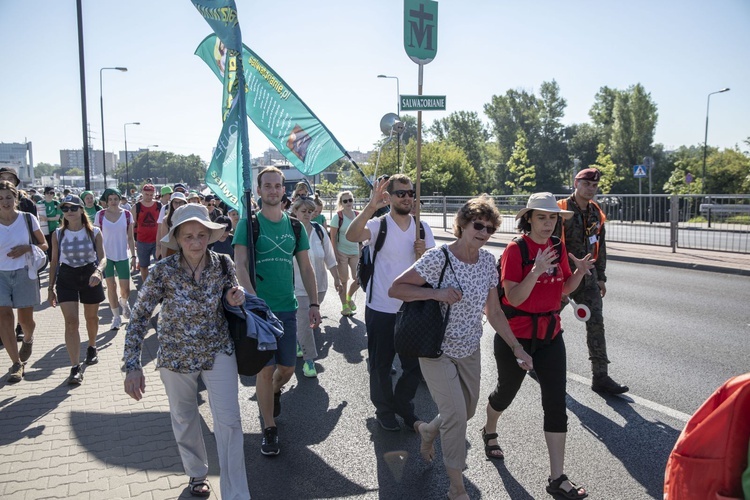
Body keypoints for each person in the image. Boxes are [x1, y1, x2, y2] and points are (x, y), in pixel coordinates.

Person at [389, 195, 530, 500]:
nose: (483, 232)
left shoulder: (488, 263)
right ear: (463, 224)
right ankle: (457, 487)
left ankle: (428, 430)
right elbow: (397, 287)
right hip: (436, 349)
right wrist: (437, 294)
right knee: (455, 417)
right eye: (478, 225)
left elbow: (493, 312)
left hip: (469, 349)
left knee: (466, 410)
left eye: (490, 229)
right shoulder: (439, 257)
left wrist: (517, 348)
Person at [123, 204, 250, 500]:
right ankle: (196, 473)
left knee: (229, 422)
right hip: (175, 355)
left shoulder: (223, 264)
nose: (196, 242)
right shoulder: (162, 272)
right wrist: (132, 365)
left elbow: (232, 299)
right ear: (178, 238)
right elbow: (140, 315)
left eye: (202, 235)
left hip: (217, 348)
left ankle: (236, 493)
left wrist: (236, 298)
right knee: (184, 415)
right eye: (188, 236)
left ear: (210, 235)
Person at [483, 192, 593, 500]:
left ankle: (557, 478)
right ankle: (490, 429)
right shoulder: (515, 250)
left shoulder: (558, 248)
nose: (548, 223)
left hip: (550, 336)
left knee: (556, 404)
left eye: (553, 217)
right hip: (515, 337)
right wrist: (535, 270)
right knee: (506, 393)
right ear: (528, 218)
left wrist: (580, 275)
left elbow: (562, 290)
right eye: (541, 217)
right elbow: (514, 298)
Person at [233, 166, 321, 456]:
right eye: (267, 185)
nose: (272, 190)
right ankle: (269, 428)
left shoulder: (295, 226)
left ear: (284, 190)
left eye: (277, 186)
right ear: (258, 191)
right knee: (265, 369)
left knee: (287, 369)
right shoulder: (249, 224)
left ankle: (271, 393)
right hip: (260, 312)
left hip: (287, 308)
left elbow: (306, 268)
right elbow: (240, 266)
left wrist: (314, 303)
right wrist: (253, 302)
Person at [345, 174, 435, 432]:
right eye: (401, 193)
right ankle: (384, 409)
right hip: (381, 309)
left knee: (415, 367)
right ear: (390, 197)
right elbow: (352, 236)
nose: (407, 197)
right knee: (380, 365)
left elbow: (433, 267)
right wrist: (372, 205)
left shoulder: (422, 228)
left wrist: (423, 255)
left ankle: (402, 404)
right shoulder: (378, 225)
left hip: (412, 309)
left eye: (410, 193)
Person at [557, 168, 628, 394]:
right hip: (563, 277)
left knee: (596, 323)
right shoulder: (560, 209)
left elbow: (600, 246)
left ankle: (601, 377)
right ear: (576, 183)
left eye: (595, 186)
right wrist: (554, 277)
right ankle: (536, 362)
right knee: (547, 322)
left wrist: (601, 277)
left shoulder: (597, 212)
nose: (591, 189)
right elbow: (551, 243)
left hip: (588, 278)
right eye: (587, 184)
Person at [48, 194, 107, 384]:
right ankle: (75, 367)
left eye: (73, 208)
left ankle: (91, 346)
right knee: (71, 322)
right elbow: (54, 261)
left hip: (90, 275)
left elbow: (103, 258)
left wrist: (98, 272)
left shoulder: (94, 232)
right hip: (67, 277)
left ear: (82, 210)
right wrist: (50, 288)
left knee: (91, 318)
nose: (69, 212)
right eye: (65, 208)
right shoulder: (58, 234)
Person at [0, 181, 48, 382]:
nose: (5, 202)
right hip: (0, 275)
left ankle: (27, 339)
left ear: (15, 198)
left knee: (25, 321)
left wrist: (27, 248)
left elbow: (44, 245)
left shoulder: (28, 219)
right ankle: (16, 363)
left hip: (24, 273)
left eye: (8, 197)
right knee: (4, 319)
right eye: (0, 198)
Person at [290, 196, 342, 378]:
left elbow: (329, 256)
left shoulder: (319, 231)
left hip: (320, 285)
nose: (306, 215)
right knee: (306, 322)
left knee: (308, 322)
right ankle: (309, 361)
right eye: (303, 211)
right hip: (297, 286)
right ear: (294, 211)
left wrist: (337, 278)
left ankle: (297, 341)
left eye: (310, 212)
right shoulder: (290, 231)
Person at [94, 188, 136, 330]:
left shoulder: (127, 214)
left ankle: (124, 302)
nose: (113, 202)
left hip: (123, 255)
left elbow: (130, 237)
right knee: (111, 287)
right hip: (106, 257)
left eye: (115, 199)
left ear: (120, 200)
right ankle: (116, 317)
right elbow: (97, 237)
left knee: (125, 289)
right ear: (106, 201)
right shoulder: (100, 215)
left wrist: (134, 256)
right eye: (110, 199)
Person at [330, 190, 361, 317]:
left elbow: (361, 234)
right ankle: (344, 306)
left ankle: (349, 297)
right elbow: (332, 236)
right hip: (341, 252)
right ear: (341, 203)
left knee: (359, 278)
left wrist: (362, 249)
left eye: (350, 200)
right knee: (343, 280)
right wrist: (335, 253)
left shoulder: (358, 215)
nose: (348, 203)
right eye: (345, 201)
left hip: (355, 252)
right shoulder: (338, 216)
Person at [132, 184, 162, 283]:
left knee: (159, 265)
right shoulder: (137, 206)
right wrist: (134, 240)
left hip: (156, 241)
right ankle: (146, 286)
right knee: (143, 266)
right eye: (146, 194)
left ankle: (158, 285)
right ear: (142, 193)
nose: (149, 197)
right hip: (142, 241)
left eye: (151, 195)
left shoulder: (159, 205)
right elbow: (132, 226)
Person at [156, 192, 188, 260]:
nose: (178, 205)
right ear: (171, 204)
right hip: (171, 252)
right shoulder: (166, 220)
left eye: (181, 202)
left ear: (185, 203)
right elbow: (164, 241)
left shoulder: (189, 218)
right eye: (175, 202)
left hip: (187, 251)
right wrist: (164, 259)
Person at [40, 187, 62, 260]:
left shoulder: (57, 203)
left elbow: (57, 217)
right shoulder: (40, 203)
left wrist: (47, 219)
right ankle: (48, 261)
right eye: (47, 193)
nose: (49, 195)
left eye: (51, 193)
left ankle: (55, 261)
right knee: (46, 246)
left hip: (54, 228)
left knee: (54, 246)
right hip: (43, 229)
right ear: (44, 194)